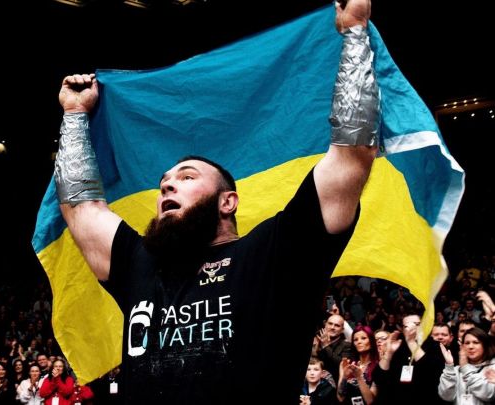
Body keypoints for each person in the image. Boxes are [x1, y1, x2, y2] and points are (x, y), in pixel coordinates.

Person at [53, 0, 379, 403]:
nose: (167, 187)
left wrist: (355, 33)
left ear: (228, 202)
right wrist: (74, 115)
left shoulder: (273, 254)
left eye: (187, 177)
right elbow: (81, 208)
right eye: (164, 183)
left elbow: (351, 155)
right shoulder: (142, 265)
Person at [438, 327, 495, 403]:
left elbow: (489, 395)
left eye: (476, 342)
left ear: (485, 345)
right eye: (467, 343)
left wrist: (465, 368)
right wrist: (449, 366)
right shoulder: (455, 370)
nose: (470, 347)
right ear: (462, 346)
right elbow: (446, 397)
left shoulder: (492, 368)